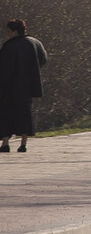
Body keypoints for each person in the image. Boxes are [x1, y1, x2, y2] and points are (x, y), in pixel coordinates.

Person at [0, 19, 47, 153]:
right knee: (25, 115)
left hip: (10, 87)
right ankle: (23, 144)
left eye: (9, 31)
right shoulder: (35, 42)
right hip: (28, 86)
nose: (7, 34)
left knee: (6, 114)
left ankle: (5, 143)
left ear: (14, 31)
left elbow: (4, 68)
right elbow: (43, 59)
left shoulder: (10, 46)